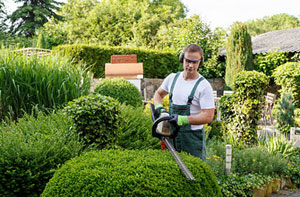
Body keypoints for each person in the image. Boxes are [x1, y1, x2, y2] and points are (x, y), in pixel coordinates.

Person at [153, 43, 215, 161]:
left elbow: (208, 116)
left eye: (195, 62)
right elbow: (158, 94)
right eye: (188, 61)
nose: (190, 65)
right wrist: (160, 109)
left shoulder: (203, 86)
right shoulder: (172, 78)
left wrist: (183, 119)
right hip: (171, 136)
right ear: (182, 59)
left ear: (200, 63)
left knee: (195, 174)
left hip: (192, 139)